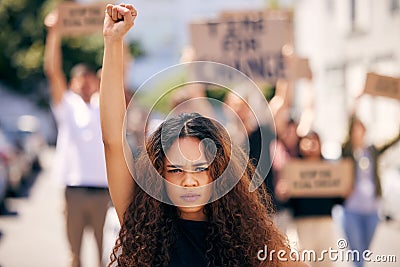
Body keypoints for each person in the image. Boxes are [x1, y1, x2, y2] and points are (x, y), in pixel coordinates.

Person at [100, 4, 308, 266]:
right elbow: (112, 143)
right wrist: (113, 41)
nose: (189, 181)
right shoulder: (142, 223)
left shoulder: (252, 237)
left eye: (200, 168)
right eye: (175, 170)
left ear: (219, 171)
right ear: (159, 175)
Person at [44, 9, 111, 267]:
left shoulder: (102, 105)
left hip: (101, 191)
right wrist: (54, 34)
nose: (84, 85)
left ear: (95, 82)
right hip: (73, 190)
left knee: (102, 256)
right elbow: (53, 71)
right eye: (78, 80)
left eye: (88, 80)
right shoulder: (67, 106)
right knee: (74, 256)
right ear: (72, 84)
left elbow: (117, 72)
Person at [341, 115, 400, 267]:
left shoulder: (372, 151)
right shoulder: (347, 152)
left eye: (360, 129)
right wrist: (355, 103)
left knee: (364, 251)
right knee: (357, 254)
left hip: (372, 211)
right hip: (352, 210)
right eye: (355, 130)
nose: (358, 133)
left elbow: (392, 141)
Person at [288, 131, 343, 267]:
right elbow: (288, 202)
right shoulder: (293, 168)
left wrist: (344, 192)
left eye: (314, 141)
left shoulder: (329, 169)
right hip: (302, 223)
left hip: (325, 222)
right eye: (307, 141)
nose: (311, 145)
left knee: (325, 262)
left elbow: (338, 200)